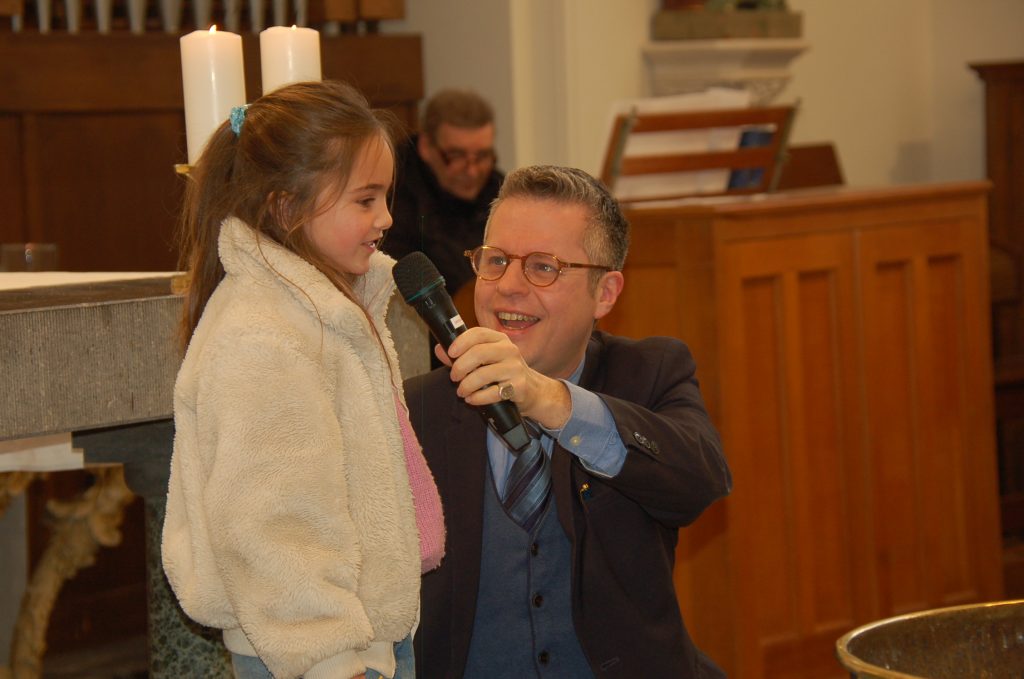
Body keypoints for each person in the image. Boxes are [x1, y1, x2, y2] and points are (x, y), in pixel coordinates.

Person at [161, 80, 445, 679]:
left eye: (385, 197)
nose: (386, 218)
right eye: (365, 200)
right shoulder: (265, 334)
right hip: (317, 653)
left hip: (364, 635)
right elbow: (271, 518)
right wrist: (329, 655)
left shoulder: (330, 310)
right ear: (287, 207)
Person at [405, 165, 731, 678]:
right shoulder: (417, 408)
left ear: (606, 292)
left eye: (543, 267)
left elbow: (700, 481)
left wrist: (551, 400)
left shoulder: (650, 373)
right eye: (496, 261)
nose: (508, 287)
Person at [382, 88, 503, 299]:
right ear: (426, 147)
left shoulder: (501, 191)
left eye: (482, 156)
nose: (472, 171)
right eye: (456, 155)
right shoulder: (392, 196)